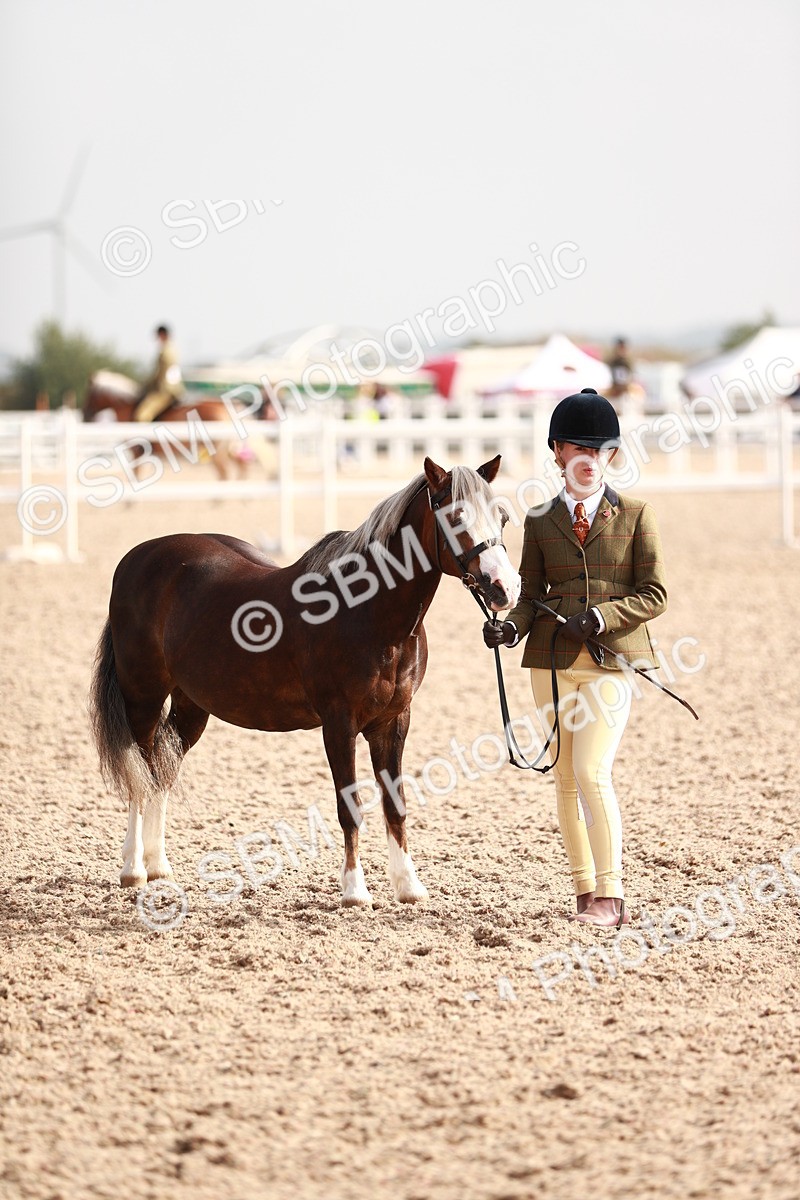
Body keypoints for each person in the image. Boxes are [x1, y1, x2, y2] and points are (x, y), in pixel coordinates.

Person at [483, 388, 667, 928]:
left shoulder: (636, 515)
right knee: (564, 775)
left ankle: (612, 894)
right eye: (575, 446)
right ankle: (584, 891)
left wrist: (603, 618)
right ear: (558, 452)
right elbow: (530, 591)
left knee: (591, 769)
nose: (587, 457)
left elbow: (655, 594)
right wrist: (509, 628)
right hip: (551, 660)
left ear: (611, 455)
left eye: (600, 448)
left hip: (610, 661)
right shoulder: (540, 520)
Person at [134, 325, 184, 421]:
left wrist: (147, 384)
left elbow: (160, 373)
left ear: (162, 334)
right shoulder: (174, 348)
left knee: (142, 416)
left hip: (165, 390)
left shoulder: (165, 351)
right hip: (176, 388)